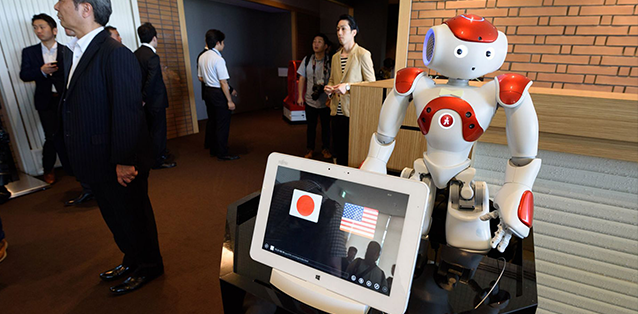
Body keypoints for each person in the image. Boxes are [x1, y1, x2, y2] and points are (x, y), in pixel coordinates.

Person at [54, 0, 163, 295]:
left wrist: (125, 160)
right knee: (116, 218)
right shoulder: (79, 50)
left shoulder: (115, 53)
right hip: (95, 158)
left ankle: (149, 267)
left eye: (62, 1)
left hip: (119, 161)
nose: (55, 6)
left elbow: (128, 111)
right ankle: (132, 260)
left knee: (133, 216)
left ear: (85, 9)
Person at [19, 13, 70, 184]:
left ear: (54, 30)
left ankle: (72, 168)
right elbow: (24, 75)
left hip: (66, 99)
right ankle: (48, 170)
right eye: (35, 27)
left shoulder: (67, 50)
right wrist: (41, 71)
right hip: (45, 100)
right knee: (51, 136)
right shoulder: (29, 52)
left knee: (70, 134)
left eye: (42, 27)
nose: (38, 31)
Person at [325, 14, 375, 166]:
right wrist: (329, 88)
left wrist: (347, 87)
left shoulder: (362, 54)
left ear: (354, 32)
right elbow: (333, 80)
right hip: (336, 109)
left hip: (353, 111)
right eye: (338, 29)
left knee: (351, 151)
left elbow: (371, 84)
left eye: (343, 29)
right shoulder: (335, 57)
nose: (339, 33)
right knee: (337, 149)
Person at [58, 27, 95, 206]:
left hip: (91, 109)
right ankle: (87, 188)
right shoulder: (68, 49)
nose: (58, 9)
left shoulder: (104, 49)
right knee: (79, 150)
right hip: (72, 108)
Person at [134, 22, 176, 170]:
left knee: (149, 131)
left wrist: (141, 98)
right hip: (154, 101)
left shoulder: (136, 54)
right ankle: (158, 160)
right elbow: (152, 80)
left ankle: (154, 155)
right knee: (158, 131)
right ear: (154, 37)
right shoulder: (152, 56)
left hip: (143, 101)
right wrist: (145, 97)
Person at [198, 29, 238, 160]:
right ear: (217, 43)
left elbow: (200, 78)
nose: (224, 45)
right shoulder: (218, 59)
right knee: (222, 124)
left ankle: (214, 150)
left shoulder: (202, 56)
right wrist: (229, 101)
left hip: (208, 92)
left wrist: (210, 80)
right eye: (223, 42)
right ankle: (222, 153)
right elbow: (223, 82)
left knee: (214, 121)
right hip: (218, 93)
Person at [297, 33, 332, 160]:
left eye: (319, 42)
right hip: (310, 100)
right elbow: (302, 78)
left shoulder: (331, 61)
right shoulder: (307, 60)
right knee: (310, 127)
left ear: (326, 46)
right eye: (314, 41)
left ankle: (326, 148)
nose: (316, 44)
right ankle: (310, 149)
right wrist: (300, 96)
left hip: (326, 101)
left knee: (326, 127)